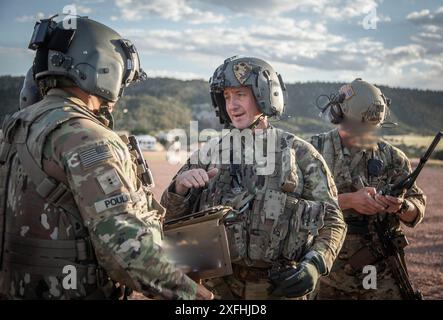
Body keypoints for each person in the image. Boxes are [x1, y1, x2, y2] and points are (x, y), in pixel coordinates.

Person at [0, 15, 212, 300]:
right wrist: (196, 296)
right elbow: (126, 250)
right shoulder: (86, 136)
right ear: (103, 67)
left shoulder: (17, 126)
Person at [161, 56, 346, 299]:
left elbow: (333, 220)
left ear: (265, 95)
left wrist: (315, 263)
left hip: (279, 288)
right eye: (226, 96)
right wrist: (180, 187)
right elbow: (167, 218)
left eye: (240, 95)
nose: (232, 105)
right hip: (218, 290)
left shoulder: (299, 153)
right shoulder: (209, 153)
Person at [311, 78, 426, 299]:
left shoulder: (393, 158)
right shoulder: (313, 151)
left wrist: (402, 206)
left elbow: (416, 207)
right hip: (327, 271)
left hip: (379, 272)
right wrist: (349, 201)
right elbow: (296, 203)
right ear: (340, 115)